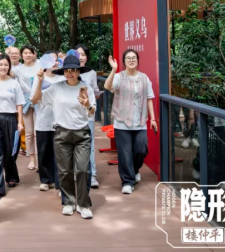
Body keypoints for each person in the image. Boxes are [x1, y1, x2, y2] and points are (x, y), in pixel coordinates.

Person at [32, 54, 96, 219]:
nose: (70, 73)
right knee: (64, 170)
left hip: (82, 133)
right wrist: (39, 81)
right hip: (62, 132)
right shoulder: (56, 87)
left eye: (73, 70)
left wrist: (87, 104)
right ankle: (68, 202)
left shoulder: (86, 88)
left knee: (82, 169)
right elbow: (37, 99)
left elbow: (92, 112)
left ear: (79, 71)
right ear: (63, 72)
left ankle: (83, 204)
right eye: (67, 70)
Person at [104, 49, 158, 194]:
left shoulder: (144, 78)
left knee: (141, 149)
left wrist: (152, 119)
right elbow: (107, 87)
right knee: (125, 153)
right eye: (128, 58)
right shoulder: (119, 77)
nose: (131, 60)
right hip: (122, 121)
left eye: (134, 57)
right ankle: (127, 181)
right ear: (124, 62)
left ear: (138, 60)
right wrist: (113, 70)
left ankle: (134, 169)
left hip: (140, 121)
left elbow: (149, 98)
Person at [0, 54, 24, 200]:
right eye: (0, 64)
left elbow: (19, 104)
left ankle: (12, 176)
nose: (3, 67)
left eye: (6, 65)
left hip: (11, 119)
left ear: (9, 67)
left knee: (10, 151)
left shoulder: (14, 84)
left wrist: (20, 122)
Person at [30, 51, 64, 192]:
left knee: (60, 154)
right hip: (43, 121)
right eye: (51, 60)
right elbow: (33, 100)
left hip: (60, 121)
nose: (54, 63)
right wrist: (40, 81)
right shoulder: (38, 78)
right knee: (44, 151)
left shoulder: (62, 78)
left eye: (56, 60)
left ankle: (59, 183)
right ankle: (45, 180)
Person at [75, 44, 100, 189]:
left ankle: (92, 175)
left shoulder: (91, 73)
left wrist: (90, 98)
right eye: (78, 54)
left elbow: (95, 91)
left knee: (90, 144)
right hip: (72, 115)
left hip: (88, 114)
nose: (80, 57)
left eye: (83, 54)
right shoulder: (68, 72)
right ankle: (76, 174)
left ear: (87, 57)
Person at [15, 45, 41, 170]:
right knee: (29, 132)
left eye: (30, 52)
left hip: (38, 99)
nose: (28, 55)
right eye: (25, 53)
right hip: (25, 100)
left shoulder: (40, 66)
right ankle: (31, 159)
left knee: (38, 131)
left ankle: (40, 159)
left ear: (34, 54)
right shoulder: (18, 69)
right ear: (22, 55)